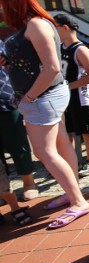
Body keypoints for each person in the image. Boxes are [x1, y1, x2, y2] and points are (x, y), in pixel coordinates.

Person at [0, 0, 89, 229]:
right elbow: (36, 63)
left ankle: (78, 200)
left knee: (45, 152)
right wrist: (10, 63)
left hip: (42, 98)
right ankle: (72, 194)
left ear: (11, 1)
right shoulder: (35, 23)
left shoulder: (35, 24)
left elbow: (50, 68)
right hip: (46, 96)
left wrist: (28, 98)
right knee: (60, 145)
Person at [53, 14, 89, 177]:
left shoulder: (80, 49)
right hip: (64, 98)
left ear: (65, 27)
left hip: (80, 96)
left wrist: (68, 86)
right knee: (67, 132)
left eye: (55, 26)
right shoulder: (58, 48)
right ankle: (70, 162)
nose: (53, 30)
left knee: (86, 130)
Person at [0, 62, 39, 202]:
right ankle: (3, 190)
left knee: (18, 144)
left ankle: (29, 183)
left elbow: (9, 61)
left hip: (6, 102)